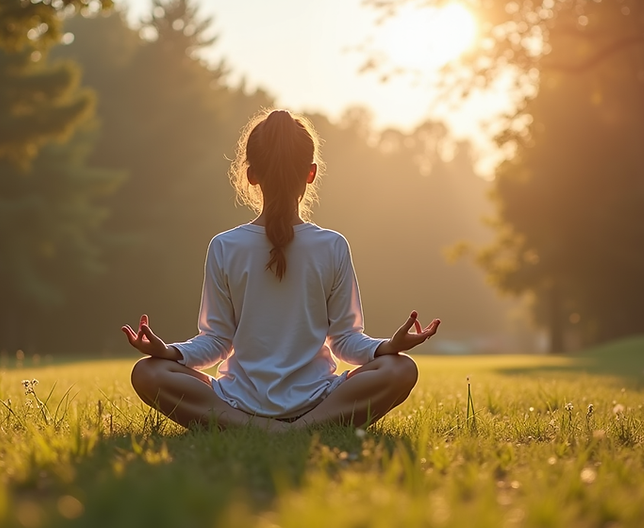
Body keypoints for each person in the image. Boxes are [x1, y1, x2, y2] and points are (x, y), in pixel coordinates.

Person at [123, 109, 440, 432]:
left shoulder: (228, 245)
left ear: (251, 175)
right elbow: (345, 340)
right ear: (311, 173)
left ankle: (255, 428)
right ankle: (303, 429)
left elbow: (216, 341)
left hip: (239, 403)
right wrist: (387, 348)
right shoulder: (329, 245)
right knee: (401, 369)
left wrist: (168, 352)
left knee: (147, 373)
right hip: (317, 402)